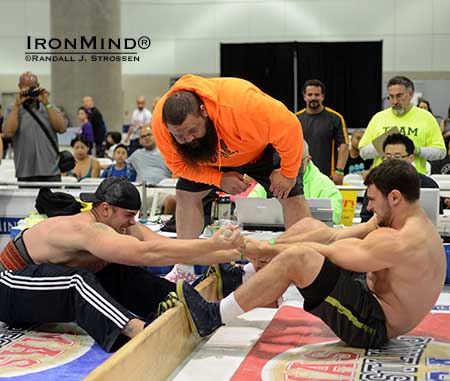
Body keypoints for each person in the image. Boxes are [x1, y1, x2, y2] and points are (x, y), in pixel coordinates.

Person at [177, 159, 446, 349]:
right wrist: (268, 250)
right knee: (310, 225)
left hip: (372, 326)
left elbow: (331, 252)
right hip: (369, 293)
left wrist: (262, 249)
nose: (370, 207)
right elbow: (333, 235)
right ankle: (240, 277)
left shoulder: (403, 241)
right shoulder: (397, 218)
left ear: (395, 197)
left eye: (373, 200)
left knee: (299, 258)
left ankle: (213, 316)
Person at [0, 177, 244, 352]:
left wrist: (234, 252)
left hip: (38, 289)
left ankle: (175, 300)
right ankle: (136, 329)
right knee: (77, 281)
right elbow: (147, 254)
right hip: (9, 286)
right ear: (105, 209)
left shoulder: (120, 223)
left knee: (115, 268)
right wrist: (212, 245)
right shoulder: (88, 230)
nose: (131, 223)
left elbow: (168, 248)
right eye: (127, 216)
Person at [152, 75, 311, 281]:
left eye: (192, 130)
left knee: (292, 196)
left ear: (203, 112)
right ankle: (185, 268)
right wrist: (218, 179)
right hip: (207, 159)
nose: (188, 139)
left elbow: (290, 127)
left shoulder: (241, 104)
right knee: (185, 194)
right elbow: (179, 166)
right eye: (180, 136)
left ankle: (302, 267)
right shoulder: (160, 123)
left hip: (260, 151)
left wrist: (288, 174)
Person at [359, 76, 446, 174]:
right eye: (391, 97)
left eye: (399, 96)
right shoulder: (378, 118)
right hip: (382, 179)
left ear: (411, 94)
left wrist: (415, 149)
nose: (395, 101)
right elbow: (363, 152)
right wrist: (386, 145)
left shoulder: (427, 118)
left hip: (414, 180)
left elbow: (440, 152)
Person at [250, 142, 343, 225]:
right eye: (286, 161)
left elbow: (335, 215)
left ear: (308, 160)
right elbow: (247, 208)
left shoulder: (324, 184)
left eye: (296, 161)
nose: (290, 166)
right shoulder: (273, 178)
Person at [360, 133, 441, 222]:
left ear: (411, 158)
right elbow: (365, 219)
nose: (392, 162)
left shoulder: (428, 184)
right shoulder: (375, 185)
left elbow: (438, 220)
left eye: (397, 157)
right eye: (388, 157)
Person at [2, 71, 66, 182]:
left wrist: (46, 103)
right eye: (25, 88)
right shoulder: (12, 109)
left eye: (32, 88)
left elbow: (62, 128)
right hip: (25, 171)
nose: (29, 92)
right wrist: (17, 105)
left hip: (51, 170)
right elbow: (8, 133)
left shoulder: (49, 106)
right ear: (19, 87)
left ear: (38, 87)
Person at [296, 79, 349, 184]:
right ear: (304, 96)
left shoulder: (335, 118)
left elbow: (344, 145)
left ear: (322, 96)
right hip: (301, 175)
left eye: (317, 95)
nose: (313, 98)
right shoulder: (295, 119)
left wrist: (339, 171)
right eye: (310, 94)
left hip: (327, 177)